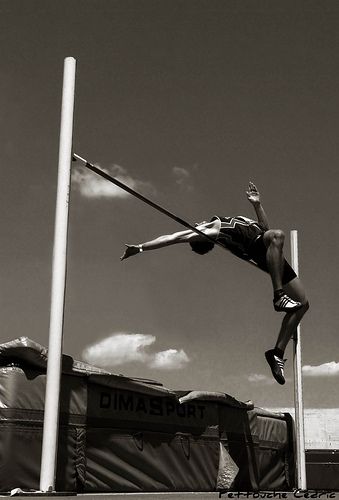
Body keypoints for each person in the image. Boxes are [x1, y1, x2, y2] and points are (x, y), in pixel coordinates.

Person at [120, 182, 309, 385]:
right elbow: (173, 237)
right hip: (261, 250)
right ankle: (278, 296)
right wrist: (140, 247)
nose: (198, 221)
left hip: (271, 250)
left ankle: (276, 353)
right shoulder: (209, 230)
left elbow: (264, 229)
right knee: (278, 235)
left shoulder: (229, 221)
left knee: (303, 304)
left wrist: (257, 205)